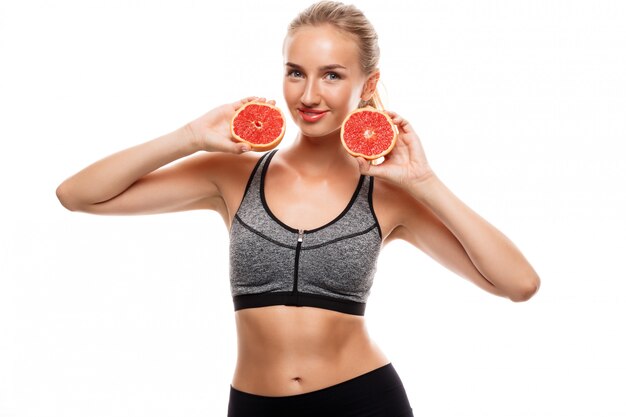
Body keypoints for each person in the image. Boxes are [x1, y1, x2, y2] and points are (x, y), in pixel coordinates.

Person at [56, 1, 540, 416]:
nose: (308, 96)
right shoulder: (232, 174)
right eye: (295, 72)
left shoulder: (389, 193)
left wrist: (426, 182)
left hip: (364, 401)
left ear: (367, 83)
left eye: (332, 75)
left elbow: (518, 283)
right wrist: (189, 136)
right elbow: (77, 195)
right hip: (255, 406)